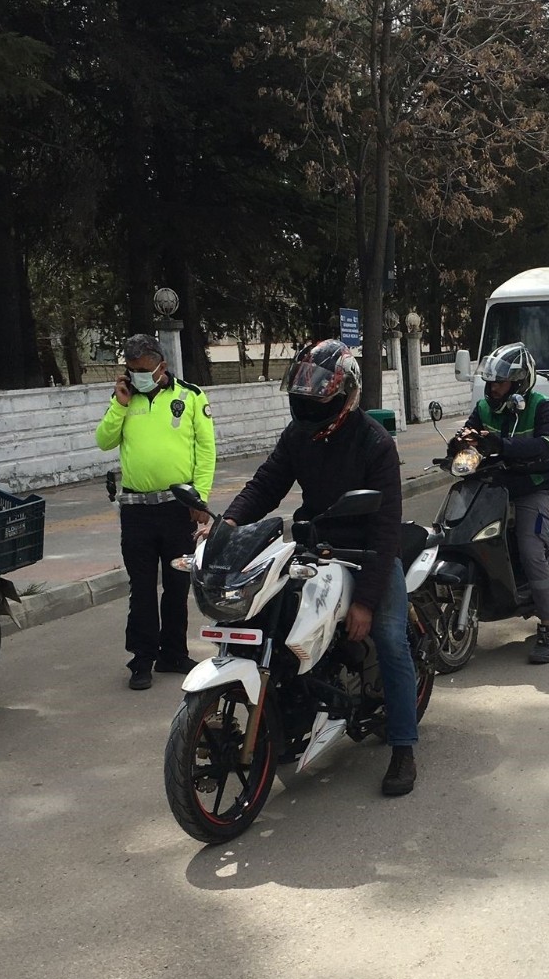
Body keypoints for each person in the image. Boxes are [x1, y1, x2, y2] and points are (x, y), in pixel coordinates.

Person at [217, 340, 420, 798]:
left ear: (346, 394)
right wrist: (227, 524)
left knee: (389, 641)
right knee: (276, 618)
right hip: (317, 544)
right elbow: (266, 483)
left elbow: (386, 528)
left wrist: (366, 601)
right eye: (305, 388)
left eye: (320, 390)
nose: (309, 398)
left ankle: (404, 748)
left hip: (370, 552)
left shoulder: (375, 443)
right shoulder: (298, 435)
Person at [95, 333, 216, 689]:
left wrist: (201, 500)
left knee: (177, 585)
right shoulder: (123, 399)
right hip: (137, 512)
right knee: (142, 588)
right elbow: (103, 440)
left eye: (144, 369)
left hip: (179, 509)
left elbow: (206, 451)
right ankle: (142, 659)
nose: (138, 376)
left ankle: (174, 654)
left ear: (162, 365)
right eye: (132, 370)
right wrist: (119, 404)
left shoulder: (191, 396)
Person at [452, 341, 549, 664]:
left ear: (518, 383)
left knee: (530, 550)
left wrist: (501, 444)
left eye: (499, 382)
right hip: (493, 488)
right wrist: (458, 445)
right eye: (490, 382)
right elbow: (468, 433)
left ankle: (547, 627)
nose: (492, 388)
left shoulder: (542, 406)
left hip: (533, 489)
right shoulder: (485, 408)